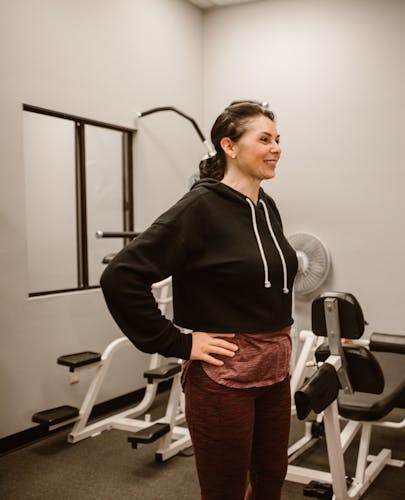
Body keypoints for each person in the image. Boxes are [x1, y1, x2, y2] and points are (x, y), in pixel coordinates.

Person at [100, 101, 298, 500]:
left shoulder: (266, 206)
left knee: (271, 479)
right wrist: (180, 342)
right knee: (225, 489)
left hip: (275, 372)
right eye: (264, 139)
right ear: (229, 146)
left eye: (278, 140)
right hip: (224, 378)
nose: (276, 147)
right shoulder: (200, 207)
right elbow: (120, 277)